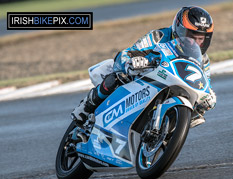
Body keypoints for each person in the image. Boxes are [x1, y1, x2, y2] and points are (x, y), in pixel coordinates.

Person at [71, 6, 217, 128]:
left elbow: (204, 83)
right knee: (117, 77)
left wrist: (209, 96)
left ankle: (162, 136)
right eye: (191, 36)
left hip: (173, 87)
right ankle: (86, 107)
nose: (195, 43)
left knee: (196, 112)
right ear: (178, 29)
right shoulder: (159, 36)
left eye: (200, 38)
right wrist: (131, 62)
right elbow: (127, 54)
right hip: (144, 75)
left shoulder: (203, 60)